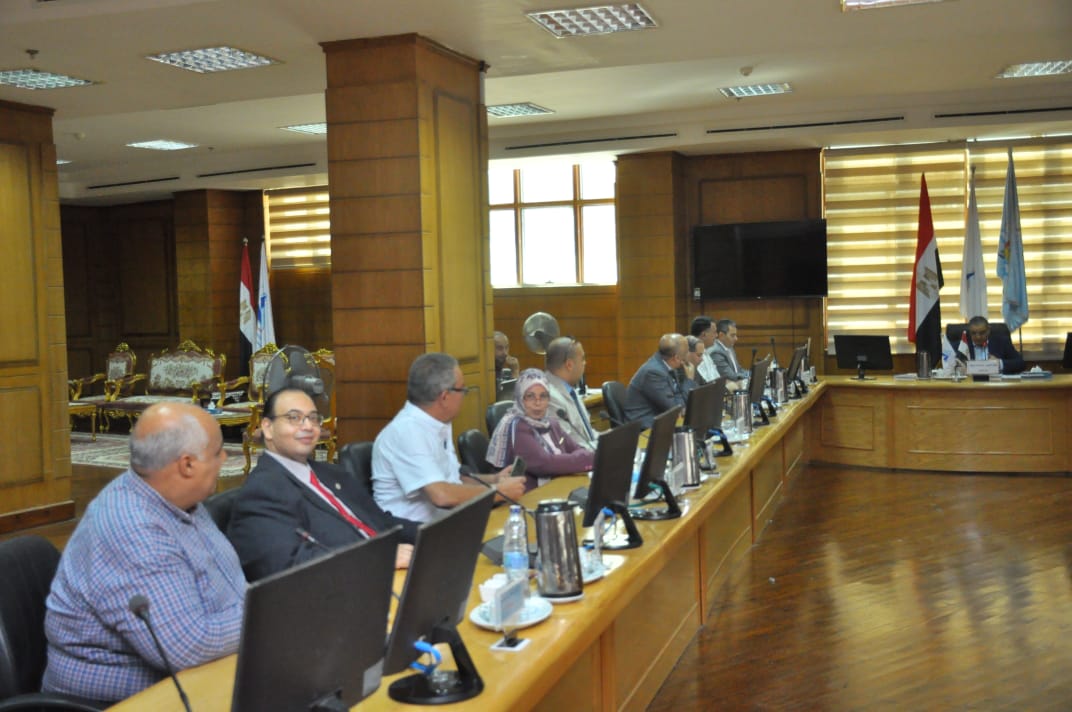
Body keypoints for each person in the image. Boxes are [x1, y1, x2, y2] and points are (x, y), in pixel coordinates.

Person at [43, 402, 245, 705]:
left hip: (200, 674)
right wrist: (264, 617)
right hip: (118, 701)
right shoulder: (132, 528)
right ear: (187, 465)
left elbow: (230, 588)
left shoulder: (178, 498)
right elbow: (188, 646)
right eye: (217, 452)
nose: (225, 458)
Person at [227, 388, 420, 582]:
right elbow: (289, 566)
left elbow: (381, 521)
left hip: (394, 572)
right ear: (268, 428)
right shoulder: (262, 491)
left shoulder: (333, 473)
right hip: (352, 585)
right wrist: (379, 558)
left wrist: (430, 535)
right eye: (294, 418)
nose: (308, 426)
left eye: (313, 418)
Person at [372, 352, 526, 522]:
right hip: (413, 533)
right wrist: (498, 491)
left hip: (449, 524)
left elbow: (453, 479)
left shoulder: (438, 423)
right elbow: (442, 496)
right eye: (462, 390)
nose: (464, 395)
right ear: (445, 397)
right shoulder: (407, 431)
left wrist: (494, 480)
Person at [486, 369, 595, 490]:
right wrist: (584, 459)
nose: (537, 403)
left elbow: (578, 449)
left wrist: (583, 458)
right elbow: (544, 464)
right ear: (520, 398)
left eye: (543, 396)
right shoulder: (516, 427)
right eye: (530, 396)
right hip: (526, 496)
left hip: (556, 488)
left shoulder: (551, 423)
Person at [623, 334, 689, 429]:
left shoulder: (667, 364)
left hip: (659, 418)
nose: (686, 359)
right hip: (643, 426)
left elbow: (678, 396)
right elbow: (672, 407)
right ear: (676, 358)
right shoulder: (653, 372)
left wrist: (682, 408)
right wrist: (688, 380)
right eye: (685, 355)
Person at [544, 336, 598, 451]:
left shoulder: (570, 390)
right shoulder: (548, 397)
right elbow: (567, 446)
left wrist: (610, 439)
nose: (585, 363)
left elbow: (587, 435)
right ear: (569, 365)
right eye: (582, 359)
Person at [961, 316, 1026, 374]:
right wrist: (958, 368)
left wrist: (999, 363)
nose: (978, 337)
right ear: (969, 332)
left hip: (995, 383)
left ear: (988, 330)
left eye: (982, 333)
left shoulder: (1002, 342)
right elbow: (955, 365)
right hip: (970, 383)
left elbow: (1021, 363)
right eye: (973, 333)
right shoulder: (962, 346)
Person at [709, 318, 749, 384]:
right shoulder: (716, 352)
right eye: (732, 335)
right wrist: (749, 377)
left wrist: (753, 374)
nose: (736, 338)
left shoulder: (729, 347)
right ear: (721, 335)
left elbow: (738, 369)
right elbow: (731, 376)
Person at [690, 315, 722, 383]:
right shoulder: (694, 356)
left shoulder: (706, 353)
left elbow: (716, 379)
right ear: (704, 334)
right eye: (714, 332)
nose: (716, 335)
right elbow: (704, 385)